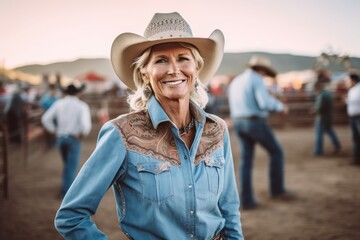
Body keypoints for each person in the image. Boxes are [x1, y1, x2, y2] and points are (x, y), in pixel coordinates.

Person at [54, 12, 244, 239]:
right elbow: (71, 216)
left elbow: (229, 209)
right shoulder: (122, 134)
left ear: (196, 68)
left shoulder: (217, 130)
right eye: (161, 60)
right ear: (145, 73)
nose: (174, 69)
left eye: (183, 58)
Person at [228, 56, 291, 210]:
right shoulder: (256, 79)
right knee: (276, 152)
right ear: (262, 70)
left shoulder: (236, 81)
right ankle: (276, 190)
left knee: (246, 161)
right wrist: (280, 106)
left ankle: (246, 200)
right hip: (254, 122)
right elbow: (264, 102)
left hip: (238, 122)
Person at [41, 83, 91, 198]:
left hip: (60, 138)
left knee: (67, 164)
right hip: (74, 138)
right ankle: (66, 192)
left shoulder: (58, 104)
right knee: (71, 165)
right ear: (78, 93)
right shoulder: (81, 105)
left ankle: (66, 187)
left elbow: (45, 119)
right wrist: (83, 134)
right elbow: (85, 124)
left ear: (65, 93)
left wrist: (53, 130)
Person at [312, 69, 341, 156]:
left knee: (319, 134)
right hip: (328, 117)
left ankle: (318, 150)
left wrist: (315, 110)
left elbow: (320, 108)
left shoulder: (322, 94)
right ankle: (336, 145)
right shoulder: (328, 93)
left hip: (322, 117)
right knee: (329, 131)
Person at [39, 83, 60, 148]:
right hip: (48, 115)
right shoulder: (46, 97)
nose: (53, 91)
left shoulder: (56, 97)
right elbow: (41, 105)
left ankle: (54, 142)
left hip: (55, 116)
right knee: (48, 129)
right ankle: (49, 144)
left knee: (55, 128)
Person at [346, 71, 360, 165]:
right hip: (353, 117)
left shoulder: (357, 89)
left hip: (358, 117)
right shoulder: (353, 89)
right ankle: (356, 158)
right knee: (355, 138)